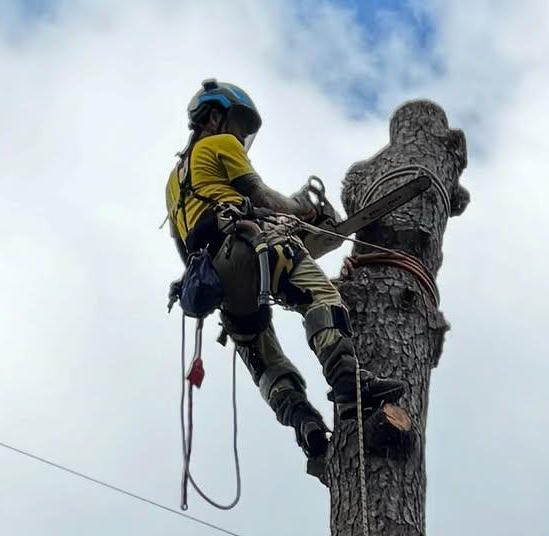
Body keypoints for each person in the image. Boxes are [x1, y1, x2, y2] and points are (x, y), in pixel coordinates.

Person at [165, 79, 404, 461]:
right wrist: (302, 211)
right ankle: (347, 382)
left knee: (264, 358)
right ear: (214, 117)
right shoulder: (219, 144)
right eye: (239, 128)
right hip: (250, 246)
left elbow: (185, 246)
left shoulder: (173, 185)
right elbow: (261, 197)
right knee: (322, 296)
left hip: (214, 280)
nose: (240, 138)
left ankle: (304, 423)